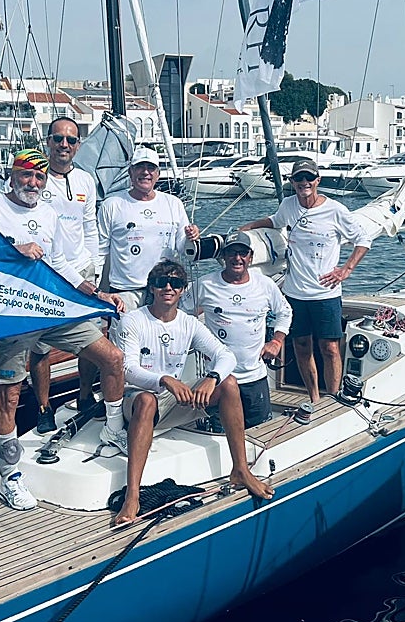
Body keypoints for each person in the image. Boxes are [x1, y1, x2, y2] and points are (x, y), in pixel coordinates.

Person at [0, 148, 129, 510]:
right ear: (12, 175)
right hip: (12, 314)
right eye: (26, 174)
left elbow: (59, 259)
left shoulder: (47, 212)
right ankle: (10, 475)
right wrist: (16, 248)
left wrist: (94, 292)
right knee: (9, 397)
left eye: (39, 177)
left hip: (53, 308)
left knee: (112, 358)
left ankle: (112, 430)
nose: (32, 182)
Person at [114, 260, 275, 526]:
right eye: (161, 282)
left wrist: (212, 378)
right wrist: (164, 379)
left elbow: (225, 355)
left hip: (177, 400)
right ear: (151, 288)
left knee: (230, 383)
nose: (168, 287)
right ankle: (132, 495)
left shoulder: (189, 324)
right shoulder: (133, 320)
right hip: (140, 401)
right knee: (145, 399)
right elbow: (128, 369)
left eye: (175, 283)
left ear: (182, 290)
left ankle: (241, 470)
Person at [239, 158, 371, 424]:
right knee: (301, 345)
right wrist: (247, 228)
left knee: (330, 348)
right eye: (299, 179)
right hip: (295, 293)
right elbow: (275, 221)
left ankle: (333, 399)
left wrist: (346, 270)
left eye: (309, 178)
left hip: (326, 294)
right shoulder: (288, 206)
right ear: (293, 183)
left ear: (317, 181)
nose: (304, 184)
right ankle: (314, 399)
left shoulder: (335, 210)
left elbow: (363, 239)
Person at [28, 116, 102, 432]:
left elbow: (89, 227)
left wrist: (94, 267)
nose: (64, 145)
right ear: (48, 141)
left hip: (81, 270)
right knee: (40, 346)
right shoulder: (33, 178)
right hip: (44, 274)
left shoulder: (86, 181)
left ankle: (85, 396)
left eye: (71, 140)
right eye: (58, 139)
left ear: (78, 146)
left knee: (92, 341)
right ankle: (43, 408)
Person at [185, 231, 293, 429]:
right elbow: (181, 316)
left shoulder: (265, 284)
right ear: (223, 257)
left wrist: (276, 341)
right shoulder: (204, 284)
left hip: (255, 378)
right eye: (232, 253)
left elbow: (285, 312)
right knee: (219, 435)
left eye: (243, 253)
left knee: (260, 434)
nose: (237, 258)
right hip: (219, 379)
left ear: (250, 257)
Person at [98, 147, 200, 315]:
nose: (145, 172)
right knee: (123, 340)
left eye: (151, 168)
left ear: (158, 174)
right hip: (125, 292)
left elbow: (182, 246)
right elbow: (99, 251)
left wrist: (192, 236)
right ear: (130, 172)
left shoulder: (173, 203)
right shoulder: (112, 204)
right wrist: (97, 290)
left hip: (164, 288)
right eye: (140, 167)